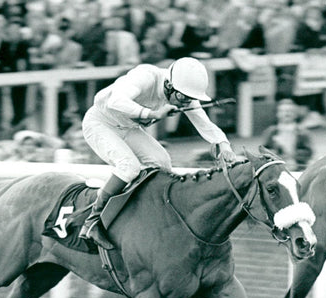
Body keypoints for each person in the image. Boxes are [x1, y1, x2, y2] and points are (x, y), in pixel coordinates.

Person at [78, 56, 237, 249]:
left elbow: (205, 124)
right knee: (129, 167)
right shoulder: (145, 76)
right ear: (169, 84)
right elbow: (115, 101)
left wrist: (224, 145)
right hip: (100, 123)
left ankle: (142, 214)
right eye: (182, 97)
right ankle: (92, 221)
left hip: (127, 127)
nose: (185, 102)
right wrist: (151, 114)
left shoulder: (182, 94)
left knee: (162, 162)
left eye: (189, 98)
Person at [261, 99, 313, 172]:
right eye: (283, 111)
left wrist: (293, 155)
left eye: (290, 111)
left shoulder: (303, 133)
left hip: (298, 169)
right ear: (277, 113)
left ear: (295, 114)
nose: (286, 113)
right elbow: (263, 151)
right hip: (275, 170)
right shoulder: (271, 132)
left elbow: (309, 152)